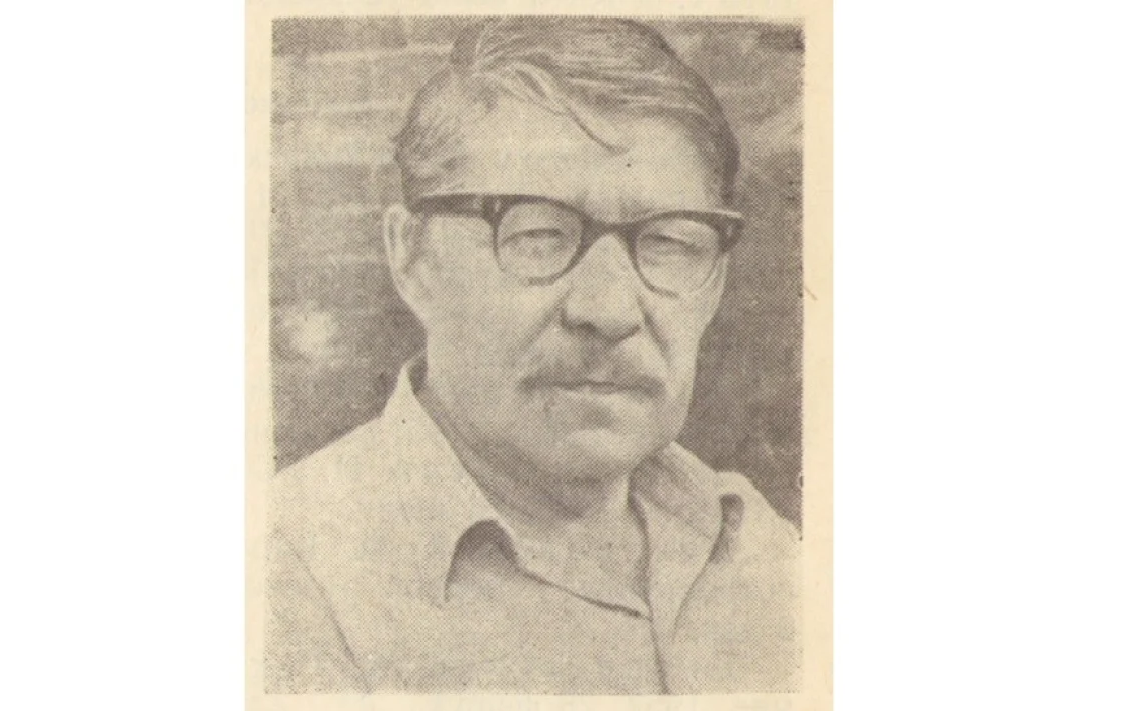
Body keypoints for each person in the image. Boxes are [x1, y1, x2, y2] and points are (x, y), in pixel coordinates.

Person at [265, 17, 799, 694]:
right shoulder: (285, 576)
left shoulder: (755, 544)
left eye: (669, 242)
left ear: (715, 282)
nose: (609, 310)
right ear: (413, 258)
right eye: (539, 234)